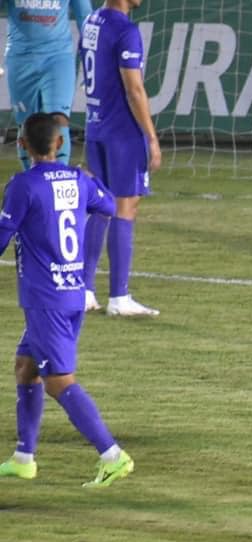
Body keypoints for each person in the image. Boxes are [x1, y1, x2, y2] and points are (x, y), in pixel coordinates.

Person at [0, 112, 134, 487]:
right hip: (72, 293)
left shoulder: (23, 186)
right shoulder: (78, 179)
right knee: (26, 366)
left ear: (23, 145)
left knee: (59, 381)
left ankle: (112, 455)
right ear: (60, 145)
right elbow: (107, 206)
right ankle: (24, 457)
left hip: (45, 299)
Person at [79, 0, 162, 316]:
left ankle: (86, 291)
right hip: (123, 132)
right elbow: (134, 90)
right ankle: (119, 297)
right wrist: (151, 138)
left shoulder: (91, 22)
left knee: (100, 208)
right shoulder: (125, 30)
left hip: (96, 127)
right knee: (125, 207)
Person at [3, 0, 91, 170]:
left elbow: (85, 18)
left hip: (58, 58)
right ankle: (31, 178)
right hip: (20, 59)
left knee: (59, 120)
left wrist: (93, 62)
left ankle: (59, 177)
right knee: (27, 125)